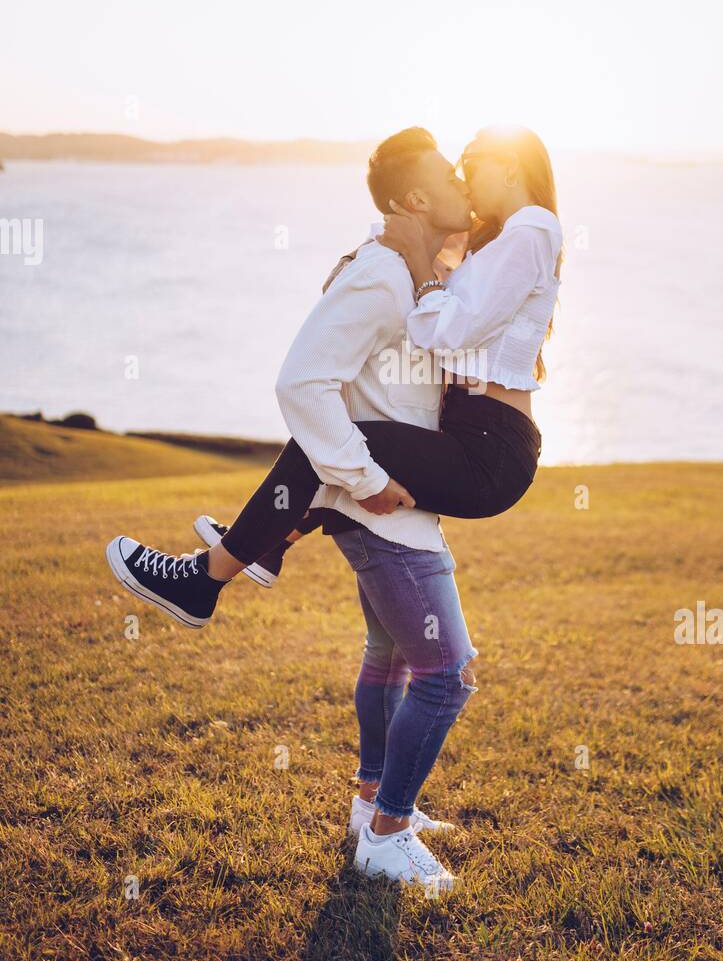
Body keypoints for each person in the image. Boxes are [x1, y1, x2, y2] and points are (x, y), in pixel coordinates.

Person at [106, 125, 563, 636]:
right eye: (455, 172)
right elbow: (414, 242)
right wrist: (380, 250)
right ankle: (266, 542)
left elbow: (451, 330)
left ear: (509, 166)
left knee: (335, 446)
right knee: (338, 448)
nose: (465, 181)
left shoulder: (532, 229)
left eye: (471, 166)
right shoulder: (499, 240)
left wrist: (415, 258)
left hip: (490, 452)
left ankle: (205, 578)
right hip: (471, 434)